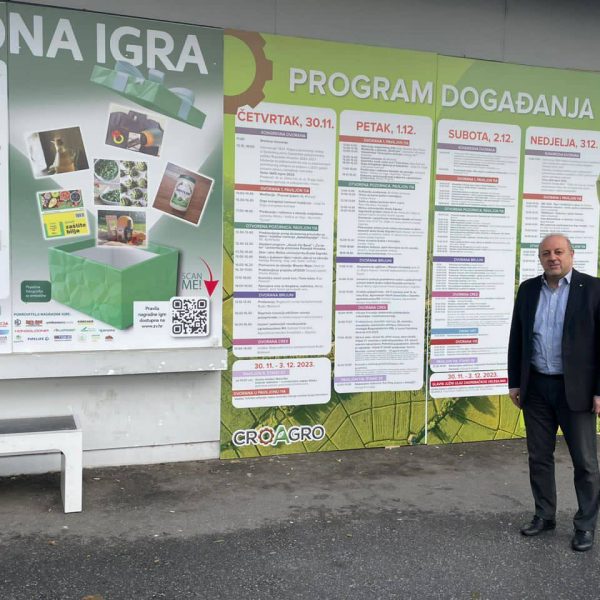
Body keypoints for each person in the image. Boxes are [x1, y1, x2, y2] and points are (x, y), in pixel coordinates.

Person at [508, 233, 600, 552]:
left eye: (559, 251)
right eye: (546, 253)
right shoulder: (528, 290)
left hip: (577, 389)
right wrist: (515, 382)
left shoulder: (593, 289)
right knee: (539, 457)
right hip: (536, 388)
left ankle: (585, 526)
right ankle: (544, 515)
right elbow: (517, 338)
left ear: (571, 254)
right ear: (540, 258)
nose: (553, 258)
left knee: (585, 462)